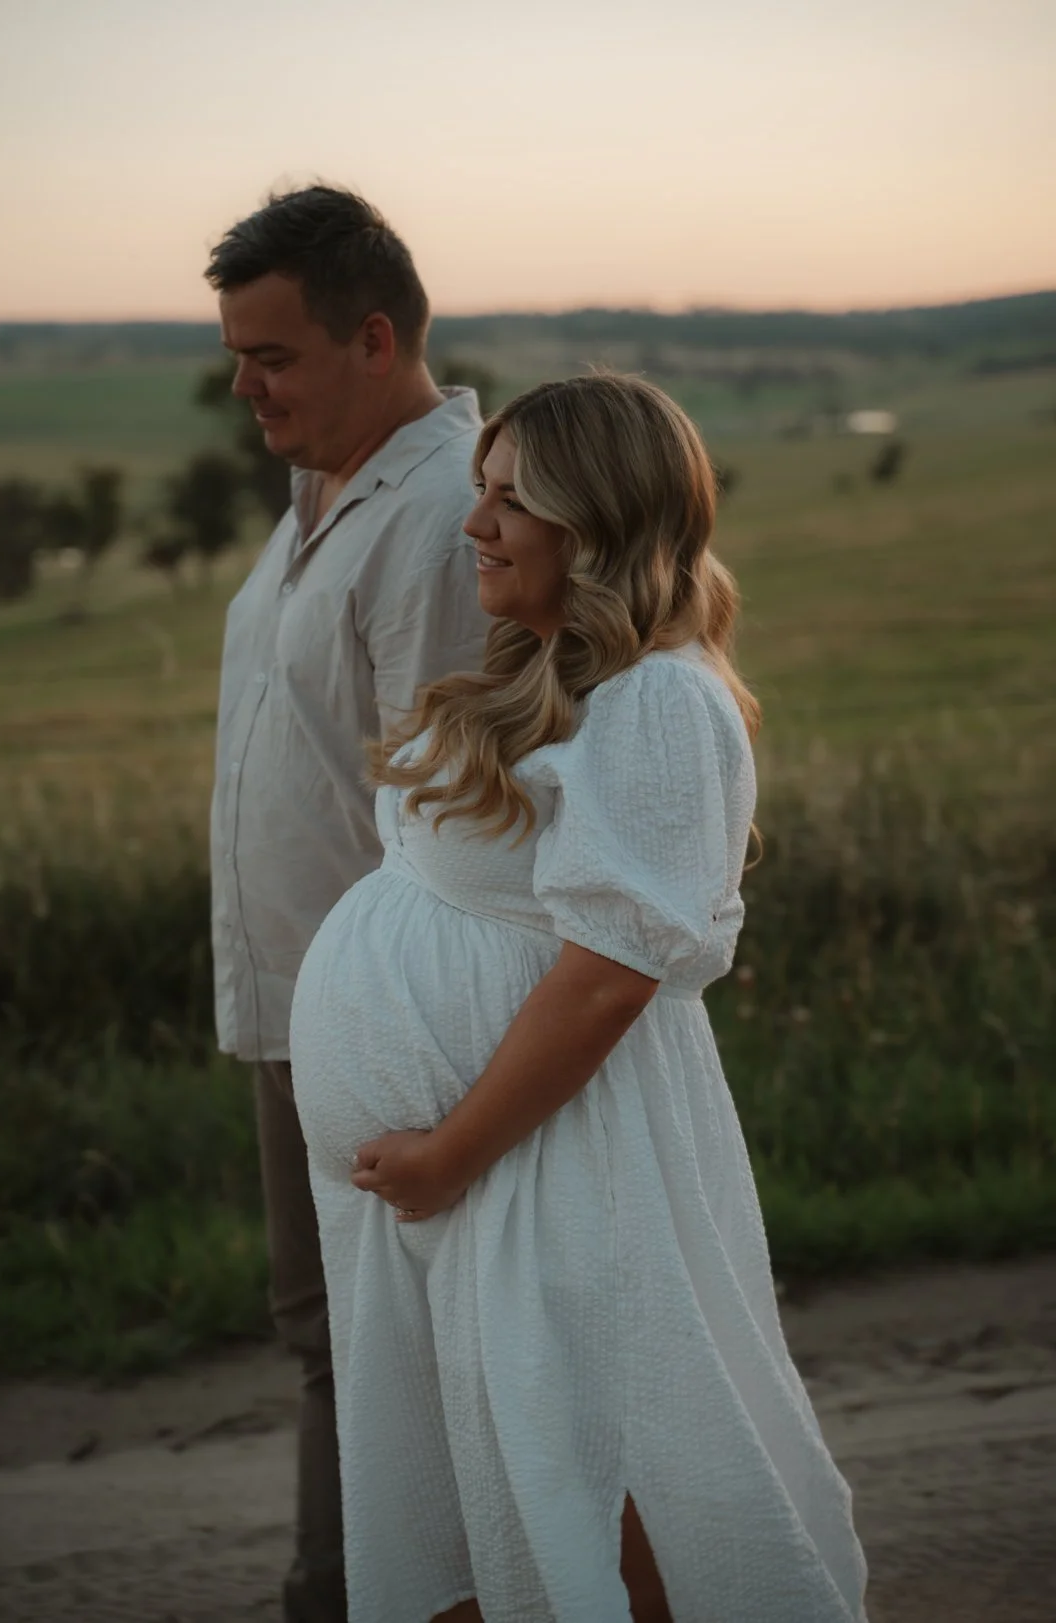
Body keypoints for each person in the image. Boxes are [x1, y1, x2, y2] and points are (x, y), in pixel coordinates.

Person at [289, 373, 869, 1622]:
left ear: (600, 519)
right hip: (481, 1178)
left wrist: (449, 1151)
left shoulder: (662, 698)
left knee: (603, 1480)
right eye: (481, 492)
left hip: (553, 1159)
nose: (477, 525)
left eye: (515, 501)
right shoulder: (554, 672)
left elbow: (610, 978)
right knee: (499, 1487)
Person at [206, 185, 488, 1623]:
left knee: (380, 1340)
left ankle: (348, 1597)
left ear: (374, 339)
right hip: (287, 999)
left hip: (373, 1018)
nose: (243, 383)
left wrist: (394, 1052)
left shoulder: (442, 514)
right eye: (238, 354)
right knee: (334, 1334)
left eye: (273, 355)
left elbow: (436, 829)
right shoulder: (320, 485)